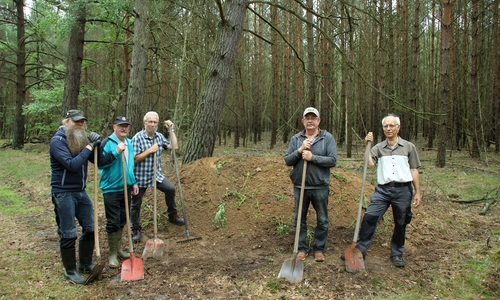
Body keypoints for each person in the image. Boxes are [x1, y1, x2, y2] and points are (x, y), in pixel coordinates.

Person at [353, 114, 422, 268]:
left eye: (392, 126)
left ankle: (397, 253)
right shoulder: (378, 148)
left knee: (401, 222)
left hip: (403, 190)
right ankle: (360, 250)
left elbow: (414, 170)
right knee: (370, 216)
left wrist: (418, 192)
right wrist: (367, 146)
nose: (388, 129)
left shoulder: (409, 147)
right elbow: (369, 164)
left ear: (398, 127)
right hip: (382, 190)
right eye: (386, 126)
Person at [49, 109, 101, 284]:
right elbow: (72, 165)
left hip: (80, 191)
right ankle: (70, 270)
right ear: (66, 121)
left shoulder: (79, 140)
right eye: (76, 121)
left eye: (82, 121)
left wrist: (102, 145)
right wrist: (89, 147)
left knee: (90, 227)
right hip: (63, 192)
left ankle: (85, 264)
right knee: (69, 232)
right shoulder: (57, 141)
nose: (80, 124)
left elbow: (100, 161)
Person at [284, 107, 338, 262]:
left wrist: (312, 157)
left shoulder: (327, 138)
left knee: (322, 219)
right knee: (299, 219)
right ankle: (301, 248)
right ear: (302, 121)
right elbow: (288, 160)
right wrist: (300, 150)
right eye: (307, 118)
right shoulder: (296, 139)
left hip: (320, 186)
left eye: (313, 118)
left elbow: (332, 160)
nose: (310, 121)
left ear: (318, 121)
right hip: (300, 186)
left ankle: (319, 249)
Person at [130, 111, 185, 242]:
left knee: (170, 189)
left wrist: (171, 130)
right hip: (139, 177)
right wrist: (150, 151)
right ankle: (135, 228)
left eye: (155, 122)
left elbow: (174, 146)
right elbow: (133, 160)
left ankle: (173, 216)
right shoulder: (137, 138)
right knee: (136, 203)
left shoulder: (159, 137)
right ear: (145, 123)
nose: (152, 124)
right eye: (150, 122)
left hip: (155, 175)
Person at [97, 116, 139, 268]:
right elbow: (100, 164)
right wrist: (115, 152)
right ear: (114, 127)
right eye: (121, 126)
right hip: (111, 189)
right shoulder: (106, 143)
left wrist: (133, 182)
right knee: (113, 221)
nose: (124, 128)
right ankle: (112, 254)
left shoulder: (129, 142)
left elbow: (130, 165)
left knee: (122, 219)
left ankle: (119, 248)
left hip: (126, 188)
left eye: (126, 126)